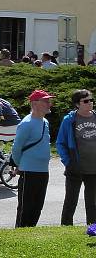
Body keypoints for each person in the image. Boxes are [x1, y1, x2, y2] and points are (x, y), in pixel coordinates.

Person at [13, 89, 54, 228]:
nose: (50, 104)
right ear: (35, 104)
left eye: (49, 101)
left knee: (37, 206)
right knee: (26, 207)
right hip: (29, 171)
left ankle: (31, 232)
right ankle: (20, 234)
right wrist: (20, 165)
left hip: (43, 171)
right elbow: (16, 148)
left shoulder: (45, 122)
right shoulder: (26, 123)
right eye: (46, 101)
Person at [56, 89, 96, 226]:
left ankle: (93, 228)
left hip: (93, 168)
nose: (90, 103)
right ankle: (66, 228)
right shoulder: (69, 120)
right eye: (86, 101)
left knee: (93, 202)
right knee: (70, 201)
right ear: (77, 104)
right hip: (75, 167)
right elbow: (60, 143)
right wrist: (68, 162)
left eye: (91, 100)